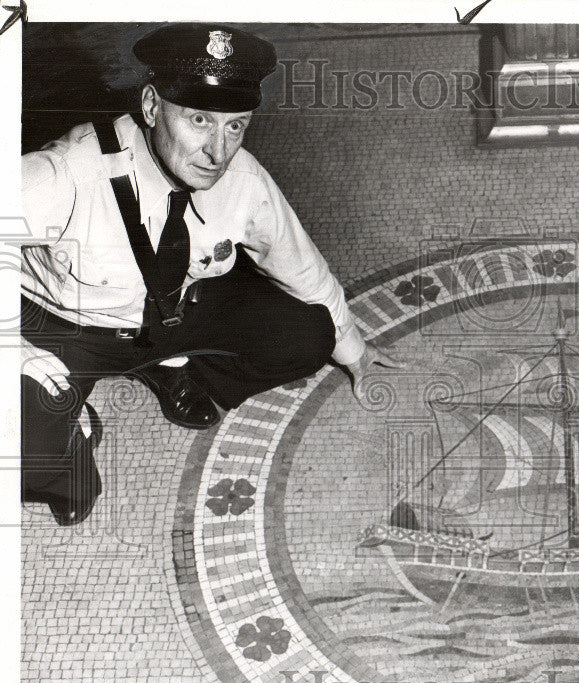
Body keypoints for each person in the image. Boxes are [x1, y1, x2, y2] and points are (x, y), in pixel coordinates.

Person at [21, 23, 402, 526]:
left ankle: (175, 367)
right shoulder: (65, 173)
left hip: (175, 312)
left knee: (309, 335)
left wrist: (352, 347)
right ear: (153, 106)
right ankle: (74, 447)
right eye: (199, 119)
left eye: (235, 126)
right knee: (23, 445)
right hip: (65, 327)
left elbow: (299, 262)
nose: (218, 152)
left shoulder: (242, 177)